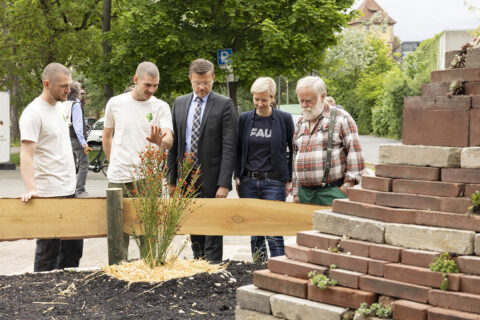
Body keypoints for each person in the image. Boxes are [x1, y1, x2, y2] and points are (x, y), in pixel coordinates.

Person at [167, 58, 237, 263]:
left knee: (213, 227)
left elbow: (229, 147)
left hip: (212, 178)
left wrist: (224, 183)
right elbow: (175, 144)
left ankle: (212, 268)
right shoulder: (179, 103)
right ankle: (197, 264)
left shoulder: (224, 104)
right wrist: (172, 180)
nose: (202, 87)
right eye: (197, 82)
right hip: (186, 177)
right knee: (194, 223)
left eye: (206, 82)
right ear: (190, 79)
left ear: (213, 79)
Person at [102, 61, 174, 259]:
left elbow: (169, 138)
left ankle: (149, 268)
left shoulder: (161, 106)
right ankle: (119, 270)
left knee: (148, 232)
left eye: (155, 86)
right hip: (119, 176)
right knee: (118, 230)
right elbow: (106, 137)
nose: (151, 90)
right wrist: (113, 162)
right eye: (147, 85)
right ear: (136, 80)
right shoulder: (115, 103)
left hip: (148, 177)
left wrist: (161, 141)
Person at [19, 62, 83, 272]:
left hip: (69, 190)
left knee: (73, 251)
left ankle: (66, 296)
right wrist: (32, 189)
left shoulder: (60, 107)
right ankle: (42, 299)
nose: (69, 90)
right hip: (48, 194)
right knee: (48, 254)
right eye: (63, 86)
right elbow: (26, 156)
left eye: (70, 85)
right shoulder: (33, 113)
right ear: (47, 84)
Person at [234, 77, 294, 263]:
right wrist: (237, 175)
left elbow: (293, 150)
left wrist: (289, 178)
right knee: (256, 232)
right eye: (256, 99)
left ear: (272, 97)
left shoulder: (284, 119)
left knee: (274, 232)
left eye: (264, 100)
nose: (260, 104)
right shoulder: (245, 119)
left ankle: (278, 272)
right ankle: (258, 270)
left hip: (274, 182)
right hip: (249, 182)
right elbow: (237, 149)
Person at [293, 76, 365, 205]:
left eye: (308, 101)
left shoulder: (341, 118)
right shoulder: (300, 122)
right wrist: (296, 192)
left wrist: (346, 188)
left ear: (322, 97)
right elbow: (295, 156)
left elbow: (355, 156)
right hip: (305, 195)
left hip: (332, 193)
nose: (304, 105)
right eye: (301, 100)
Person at [67, 81, 90, 197]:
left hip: (67, 138)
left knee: (71, 164)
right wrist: (83, 142)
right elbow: (78, 126)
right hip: (76, 139)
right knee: (84, 163)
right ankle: (80, 190)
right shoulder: (76, 105)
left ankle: (69, 189)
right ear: (76, 91)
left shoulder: (65, 104)